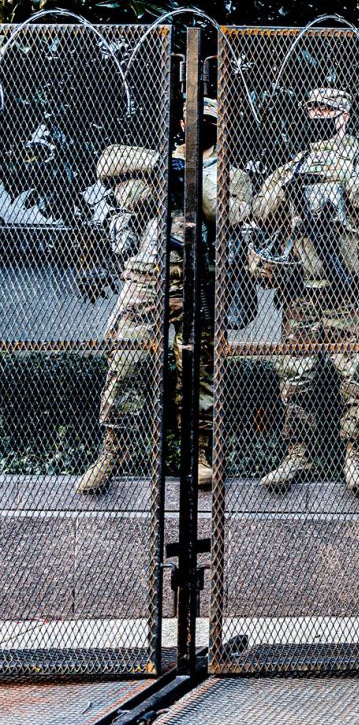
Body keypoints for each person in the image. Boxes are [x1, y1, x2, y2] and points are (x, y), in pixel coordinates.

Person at [78, 99, 253, 494]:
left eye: (207, 120)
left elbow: (231, 213)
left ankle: (202, 456)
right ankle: (112, 450)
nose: (199, 125)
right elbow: (110, 167)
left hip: (200, 279)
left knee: (200, 369)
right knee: (126, 357)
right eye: (192, 118)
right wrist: (165, 165)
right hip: (148, 274)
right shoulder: (158, 159)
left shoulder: (232, 175)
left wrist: (192, 176)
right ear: (180, 121)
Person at [249, 87, 359, 495]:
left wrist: (349, 182)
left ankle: (355, 455)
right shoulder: (293, 166)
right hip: (302, 294)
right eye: (312, 108)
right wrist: (287, 188)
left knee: (358, 376)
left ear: (345, 115)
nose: (317, 114)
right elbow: (260, 214)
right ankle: (296, 454)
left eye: (326, 109)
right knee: (293, 378)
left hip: (349, 293)